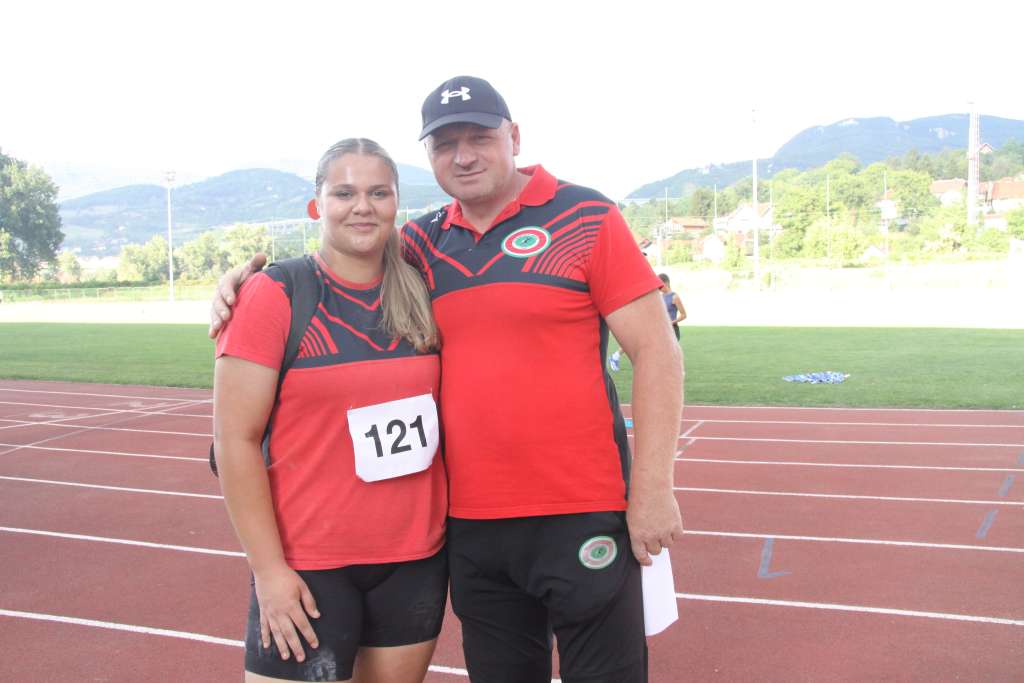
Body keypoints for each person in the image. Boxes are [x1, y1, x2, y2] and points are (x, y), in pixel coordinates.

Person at [210, 76, 685, 683]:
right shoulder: (421, 243)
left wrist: (653, 488)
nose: (463, 156)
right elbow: (346, 256)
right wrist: (245, 282)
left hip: (583, 510)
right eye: (444, 143)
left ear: (514, 137)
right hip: (472, 530)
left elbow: (657, 351)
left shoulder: (586, 216)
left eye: (479, 137)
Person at [213, 138, 448, 683]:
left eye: (378, 193)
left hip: (414, 561)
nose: (362, 206)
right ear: (316, 206)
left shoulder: (424, 286)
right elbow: (234, 440)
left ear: (396, 204)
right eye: (344, 193)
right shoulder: (276, 294)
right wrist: (268, 570)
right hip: (308, 564)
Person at [658, 273, 687, 340]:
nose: (658, 288)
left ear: (666, 283)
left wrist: (672, 322)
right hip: (663, 329)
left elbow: (684, 315)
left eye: (660, 286)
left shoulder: (675, 297)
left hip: (673, 329)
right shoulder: (660, 297)